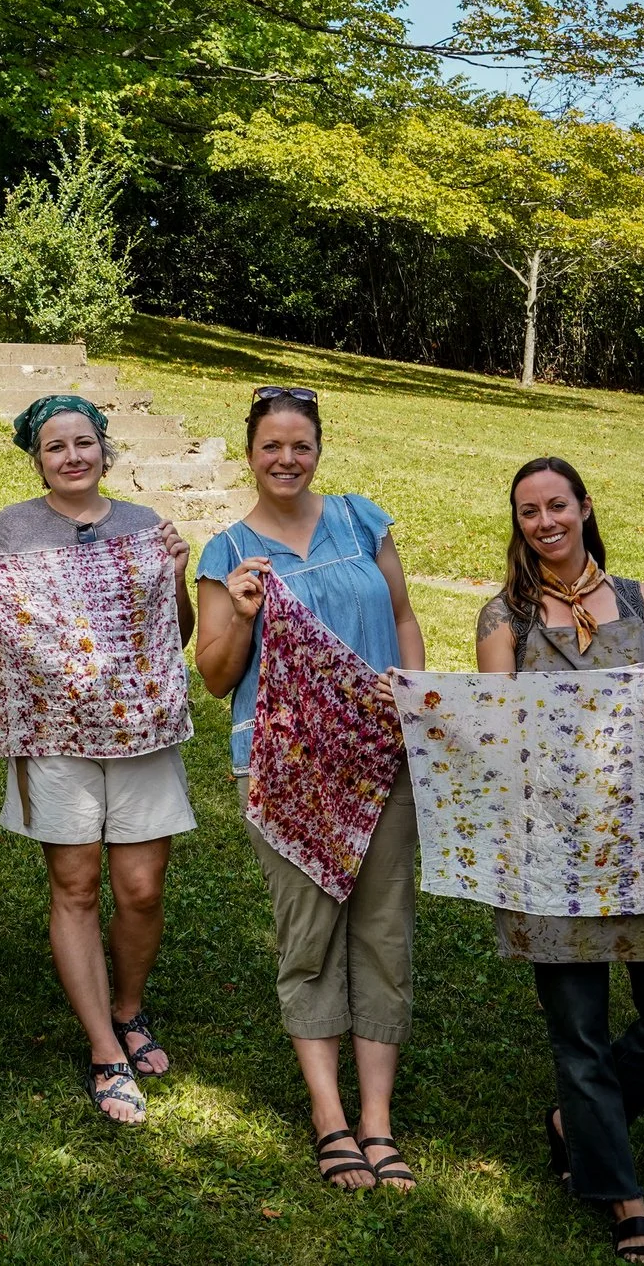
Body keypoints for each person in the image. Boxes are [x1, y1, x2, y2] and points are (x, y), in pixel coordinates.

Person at [476, 456, 644, 1265]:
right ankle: (625, 1200)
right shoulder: (504, 616)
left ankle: (577, 1121)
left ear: (585, 506)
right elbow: (499, 735)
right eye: (529, 510)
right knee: (579, 1030)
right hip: (549, 844)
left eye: (557, 505)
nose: (545, 521)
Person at [195, 386, 426, 1183]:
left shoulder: (363, 521)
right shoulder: (226, 551)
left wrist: (415, 704)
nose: (286, 458)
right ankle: (330, 1119)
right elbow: (218, 676)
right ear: (249, 452)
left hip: (377, 754)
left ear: (318, 447)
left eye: (300, 444)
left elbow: (401, 616)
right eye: (271, 446)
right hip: (283, 769)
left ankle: (377, 1120)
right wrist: (243, 610)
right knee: (310, 934)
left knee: (383, 931)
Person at [0, 394, 198, 1128]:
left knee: (140, 887)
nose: (72, 456)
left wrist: (176, 572)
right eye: (54, 447)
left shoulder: (142, 525)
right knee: (75, 884)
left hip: (139, 729)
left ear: (104, 447)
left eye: (83, 442)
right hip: (54, 734)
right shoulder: (10, 529)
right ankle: (106, 1047)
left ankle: (129, 1007)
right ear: (36, 458)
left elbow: (176, 631)